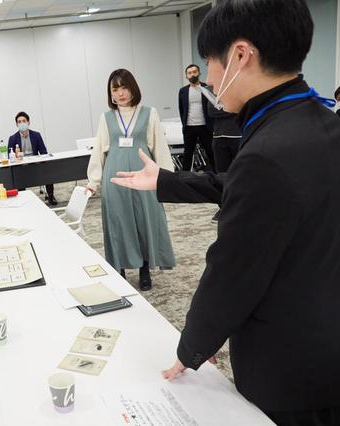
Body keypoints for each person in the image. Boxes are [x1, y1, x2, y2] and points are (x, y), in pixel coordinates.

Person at [110, 0, 340, 422]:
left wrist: (193, 347)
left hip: (292, 371)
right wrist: (166, 180)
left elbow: (232, 274)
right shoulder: (319, 123)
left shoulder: (267, 152)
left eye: (209, 63)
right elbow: (253, 190)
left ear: (240, 55)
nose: (210, 78)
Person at [86, 69, 175, 291]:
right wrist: (93, 181)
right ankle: (119, 269)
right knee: (118, 223)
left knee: (145, 221)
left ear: (133, 88)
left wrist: (167, 178)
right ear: (110, 93)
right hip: (114, 179)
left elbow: (160, 147)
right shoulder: (106, 118)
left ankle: (145, 267)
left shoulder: (149, 113)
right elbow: (99, 150)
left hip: (144, 177)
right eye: (115, 89)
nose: (121, 93)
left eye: (124, 87)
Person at [7, 111, 58, 206]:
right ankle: (22, 198)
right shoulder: (12, 138)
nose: (22, 123)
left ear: (28, 122)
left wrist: (39, 161)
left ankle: (51, 196)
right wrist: (17, 158)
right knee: (17, 174)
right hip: (21, 166)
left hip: (35, 165)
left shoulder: (36, 135)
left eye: (24, 121)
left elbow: (43, 152)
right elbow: (10, 157)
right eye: (19, 122)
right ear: (16, 124)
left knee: (48, 169)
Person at [179, 65, 215, 171]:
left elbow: (214, 105)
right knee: (187, 154)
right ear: (186, 76)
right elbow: (182, 110)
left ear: (199, 73)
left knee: (211, 152)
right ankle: (185, 177)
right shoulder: (183, 91)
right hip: (189, 127)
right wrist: (184, 125)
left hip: (205, 127)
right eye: (189, 73)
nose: (192, 74)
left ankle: (218, 176)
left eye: (194, 72)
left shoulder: (207, 88)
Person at [207, 98, 240, 173]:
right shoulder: (215, 93)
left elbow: (241, 107)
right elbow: (211, 111)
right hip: (219, 137)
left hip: (237, 136)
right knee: (221, 172)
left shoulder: (238, 92)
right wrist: (232, 108)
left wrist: (221, 107)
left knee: (241, 170)